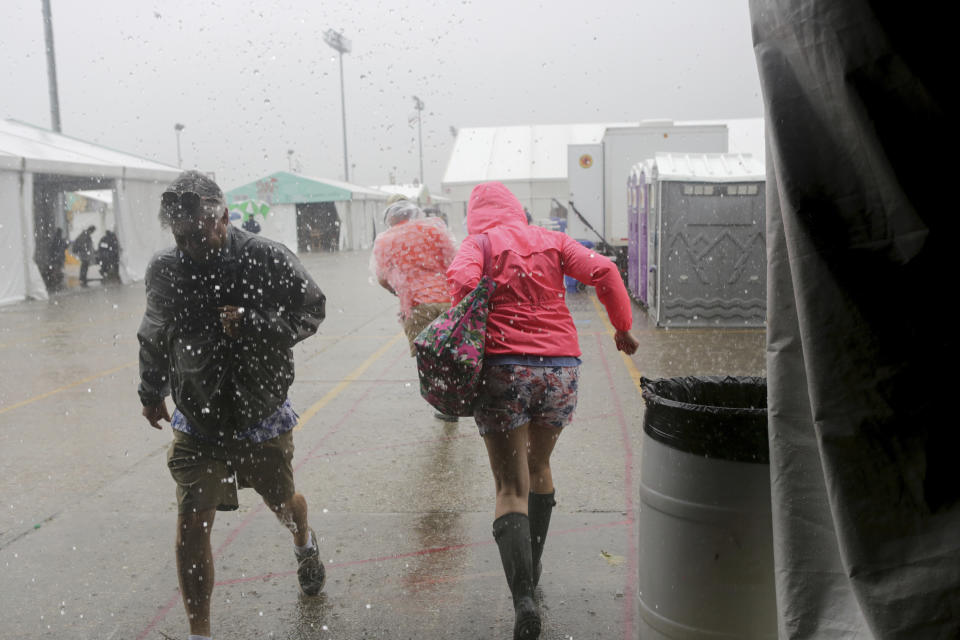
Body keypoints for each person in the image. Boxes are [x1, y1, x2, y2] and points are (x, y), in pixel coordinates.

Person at [137, 170, 327, 640]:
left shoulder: (265, 258)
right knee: (191, 524)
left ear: (222, 216)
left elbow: (312, 310)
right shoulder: (167, 268)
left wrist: (255, 322)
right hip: (198, 417)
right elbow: (154, 330)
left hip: (259, 412)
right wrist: (150, 388)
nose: (191, 246)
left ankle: (303, 541)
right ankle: (200, 633)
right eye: (181, 237)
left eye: (199, 234)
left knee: (282, 502)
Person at [446, 182, 639, 640]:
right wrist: (623, 328)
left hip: (503, 370)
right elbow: (606, 271)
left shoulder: (480, 244)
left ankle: (523, 597)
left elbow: (462, 280)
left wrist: (478, 318)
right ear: (517, 210)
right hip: (560, 370)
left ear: (476, 216)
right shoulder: (553, 241)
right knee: (540, 465)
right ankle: (533, 569)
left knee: (510, 486)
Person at [371, 198, 459, 421]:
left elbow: (381, 277)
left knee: (427, 355)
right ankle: (458, 394)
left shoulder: (385, 240)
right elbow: (454, 260)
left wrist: (400, 292)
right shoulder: (435, 229)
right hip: (447, 300)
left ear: (390, 218)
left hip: (417, 304)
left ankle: (444, 404)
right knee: (450, 350)